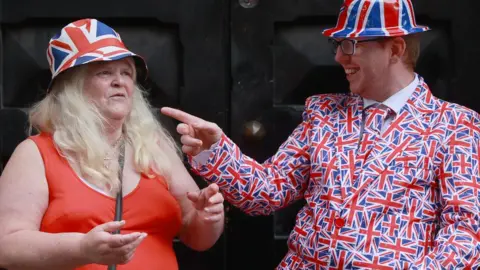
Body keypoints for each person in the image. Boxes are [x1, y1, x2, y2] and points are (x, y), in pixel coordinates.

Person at [161, 0, 480, 269]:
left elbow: (464, 235)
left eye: (350, 45)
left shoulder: (454, 126)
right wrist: (212, 150)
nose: (339, 57)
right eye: (337, 45)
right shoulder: (324, 115)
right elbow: (267, 192)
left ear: (395, 48)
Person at [0, 18, 224, 270]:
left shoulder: (154, 146)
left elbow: (196, 236)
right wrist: (82, 249)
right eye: (104, 72)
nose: (120, 81)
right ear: (72, 86)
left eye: (126, 72)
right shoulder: (36, 153)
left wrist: (208, 216)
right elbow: (7, 247)